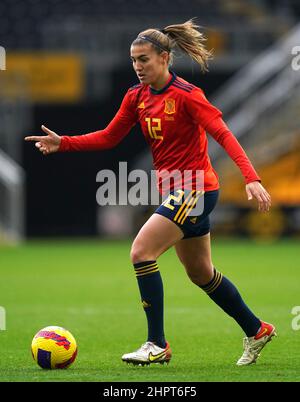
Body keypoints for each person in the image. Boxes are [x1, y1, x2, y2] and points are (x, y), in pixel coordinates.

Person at [25, 19, 276, 366]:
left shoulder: (188, 96)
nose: (138, 66)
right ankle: (257, 329)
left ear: (164, 58)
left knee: (141, 251)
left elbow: (223, 133)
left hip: (196, 189)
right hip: (177, 193)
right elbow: (109, 137)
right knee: (201, 273)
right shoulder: (136, 97)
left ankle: (156, 344)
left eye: (143, 59)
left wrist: (251, 177)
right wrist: (64, 143)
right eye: (133, 60)